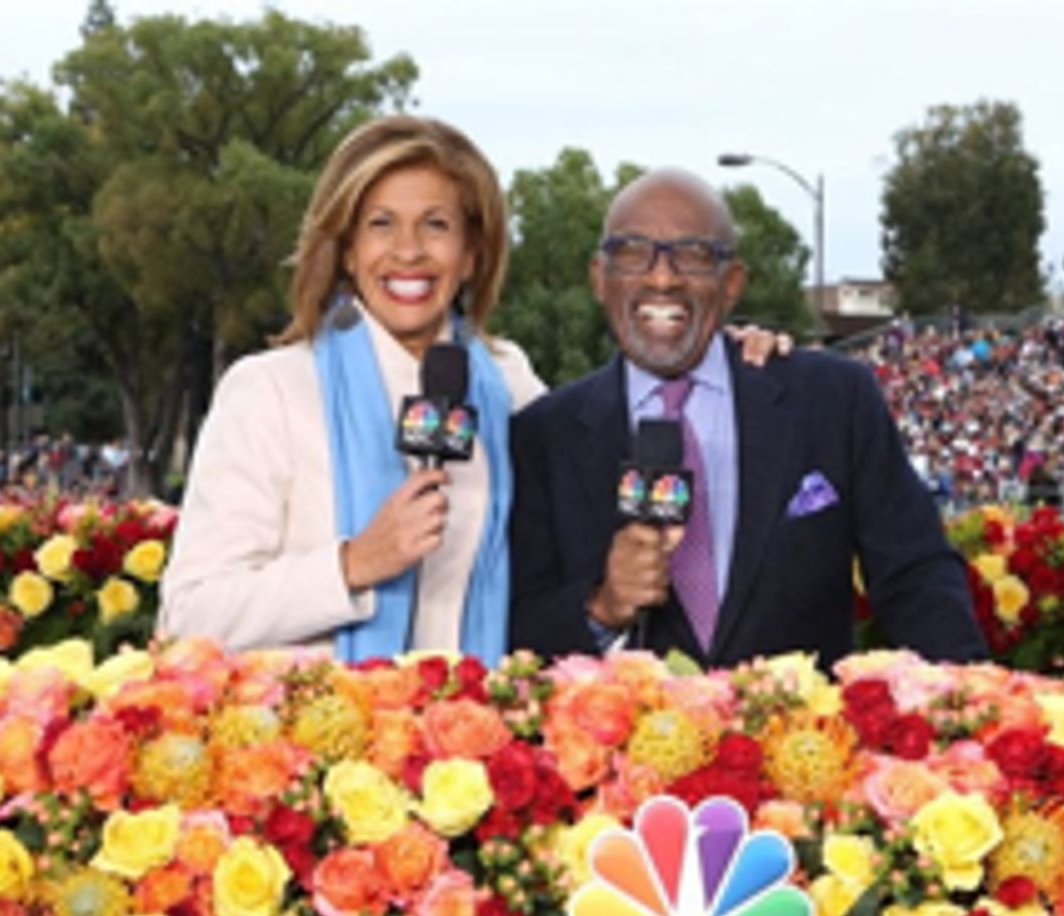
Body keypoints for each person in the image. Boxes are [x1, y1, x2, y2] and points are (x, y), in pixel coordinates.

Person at [161, 118, 784, 664]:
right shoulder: (269, 390)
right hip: (319, 767)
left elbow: (604, 427)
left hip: (473, 767)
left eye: (436, 225)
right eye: (381, 225)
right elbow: (189, 616)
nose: (408, 251)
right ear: (347, 250)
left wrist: (718, 353)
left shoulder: (510, 384)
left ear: (471, 253)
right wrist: (352, 565)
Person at [509, 168, 986, 668]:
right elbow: (516, 624)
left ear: (732, 283)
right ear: (598, 279)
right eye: (632, 252)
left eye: (693, 255)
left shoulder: (833, 400)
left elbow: (917, 574)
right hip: (626, 742)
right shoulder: (542, 436)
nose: (662, 277)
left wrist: (965, 705)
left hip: (800, 736)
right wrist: (602, 609)